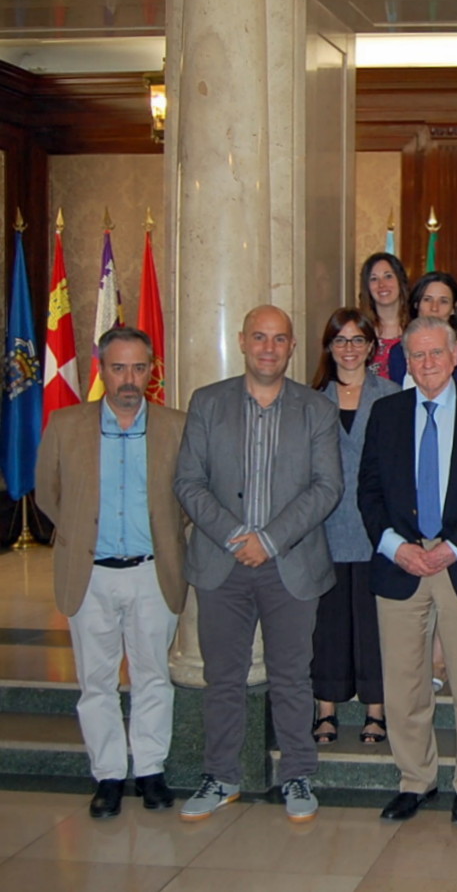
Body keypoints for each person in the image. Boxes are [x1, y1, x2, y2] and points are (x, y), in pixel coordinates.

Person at [173, 305, 343, 824]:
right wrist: (233, 536)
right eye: (259, 338)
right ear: (243, 341)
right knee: (223, 676)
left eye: (280, 339)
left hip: (290, 562)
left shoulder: (317, 409)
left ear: (293, 347)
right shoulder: (207, 403)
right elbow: (188, 483)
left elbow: (327, 487)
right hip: (221, 563)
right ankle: (221, 775)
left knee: (292, 676)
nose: (269, 348)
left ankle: (297, 773)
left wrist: (267, 540)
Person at [358, 316, 457, 825]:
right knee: (404, 685)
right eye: (416, 356)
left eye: (435, 354)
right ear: (406, 360)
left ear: (455, 356)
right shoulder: (385, 413)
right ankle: (415, 779)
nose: (426, 364)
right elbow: (369, 491)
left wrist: (453, 548)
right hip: (400, 562)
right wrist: (395, 546)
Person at [35, 328, 187, 819]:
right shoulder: (65, 424)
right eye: (118, 368)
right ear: (101, 369)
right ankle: (107, 775)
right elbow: (48, 493)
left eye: (138, 368)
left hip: (151, 571)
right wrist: (83, 533)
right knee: (96, 682)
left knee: (153, 677)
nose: (128, 379)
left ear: (151, 370)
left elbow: (187, 499)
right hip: (91, 573)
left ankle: (150, 769)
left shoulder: (175, 427)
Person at [309, 308, 400, 746]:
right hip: (321, 530)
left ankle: (376, 711)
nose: (349, 349)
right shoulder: (309, 400)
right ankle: (325, 709)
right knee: (327, 625)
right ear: (329, 347)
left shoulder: (392, 395)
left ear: (371, 347)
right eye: (340, 340)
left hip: (375, 531)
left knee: (374, 625)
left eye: (357, 340)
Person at [386, 271, 457, 388]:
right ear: (416, 304)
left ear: (454, 308)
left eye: (443, 301)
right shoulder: (398, 353)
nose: (434, 308)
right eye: (427, 300)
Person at [358, 251, 410, 380]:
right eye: (374, 279)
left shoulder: (418, 327)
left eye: (388, 276)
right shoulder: (360, 331)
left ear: (400, 280)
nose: (382, 284)